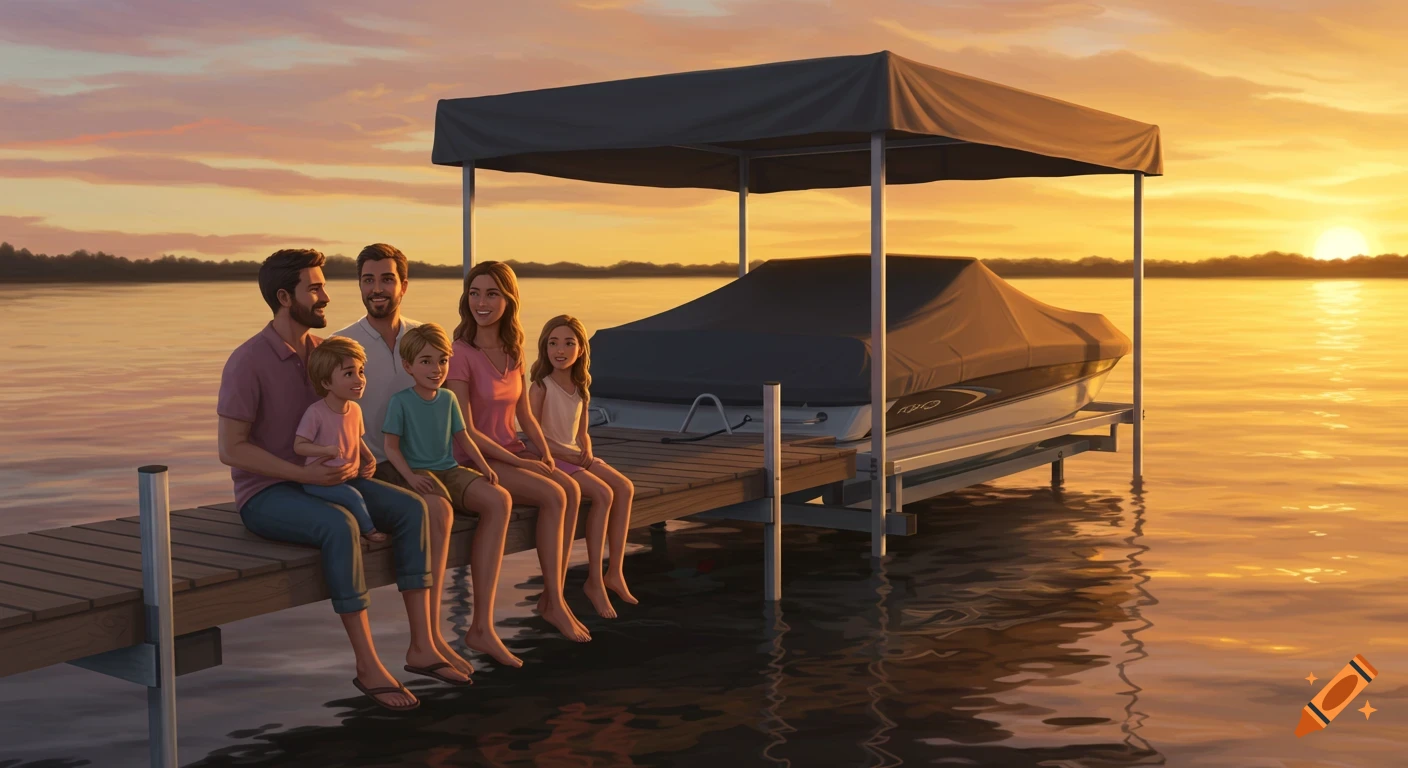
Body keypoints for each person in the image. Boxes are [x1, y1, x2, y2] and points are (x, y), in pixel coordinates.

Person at [216, 248, 465, 712]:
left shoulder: (324, 353)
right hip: (267, 493)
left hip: (329, 479)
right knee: (339, 525)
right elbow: (231, 449)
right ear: (285, 297)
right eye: (315, 288)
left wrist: (361, 457)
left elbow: (343, 417)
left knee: (413, 508)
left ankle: (421, 646)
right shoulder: (247, 360)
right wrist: (301, 472)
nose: (326, 296)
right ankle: (368, 664)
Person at [332, 244, 521, 669]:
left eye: (386, 279)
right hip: (379, 466)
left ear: (403, 285)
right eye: (368, 279)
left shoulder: (427, 339)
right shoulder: (341, 343)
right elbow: (330, 413)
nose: (377, 288)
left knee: (498, 500)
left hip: (438, 461)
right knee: (437, 510)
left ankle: (482, 627)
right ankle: (429, 638)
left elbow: (453, 414)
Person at [446, 261, 591, 643]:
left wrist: (543, 453)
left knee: (570, 489)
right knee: (553, 494)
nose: (481, 302)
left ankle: (553, 597)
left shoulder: (514, 351)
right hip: (473, 458)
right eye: (475, 293)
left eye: (492, 294)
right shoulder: (459, 353)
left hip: (511, 450)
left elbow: (524, 413)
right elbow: (466, 429)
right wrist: (519, 459)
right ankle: (551, 602)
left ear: (508, 299)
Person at [528, 315, 638, 618]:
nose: (560, 350)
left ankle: (615, 571)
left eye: (568, 343)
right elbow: (533, 439)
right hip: (552, 457)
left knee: (624, 488)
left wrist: (586, 449)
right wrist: (568, 454)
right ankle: (594, 580)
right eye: (553, 343)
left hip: (576, 454)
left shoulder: (580, 385)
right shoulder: (540, 387)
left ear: (580, 349)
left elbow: (582, 432)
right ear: (544, 347)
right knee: (603, 494)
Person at [292, 336, 386, 544]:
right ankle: (369, 531)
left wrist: (369, 458)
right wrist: (325, 450)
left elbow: (356, 439)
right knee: (353, 497)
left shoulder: (355, 410)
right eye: (349, 374)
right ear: (326, 382)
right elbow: (299, 446)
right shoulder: (316, 412)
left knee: (369, 494)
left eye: (361, 372)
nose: (359, 380)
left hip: (348, 475)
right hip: (321, 480)